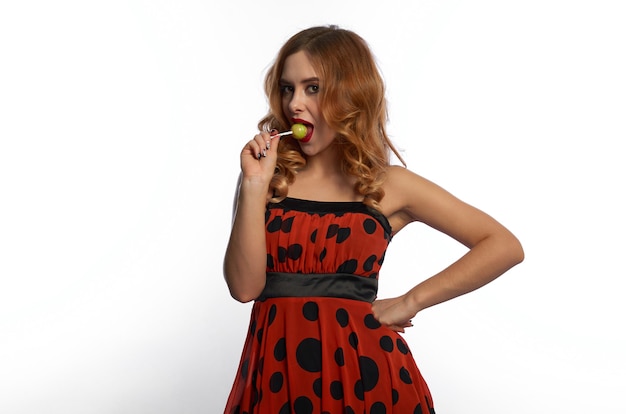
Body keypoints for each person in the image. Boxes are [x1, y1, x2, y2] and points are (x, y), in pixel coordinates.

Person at [223, 25, 524, 414]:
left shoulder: (388, 184)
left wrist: (411, 301)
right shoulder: (266, 176)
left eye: (312, 88)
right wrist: (253, 184)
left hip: (367, 378)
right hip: (276, 374)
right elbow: (245, 288)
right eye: (287, 88)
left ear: (350, 92)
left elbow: (503, 245)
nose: (295, 103)